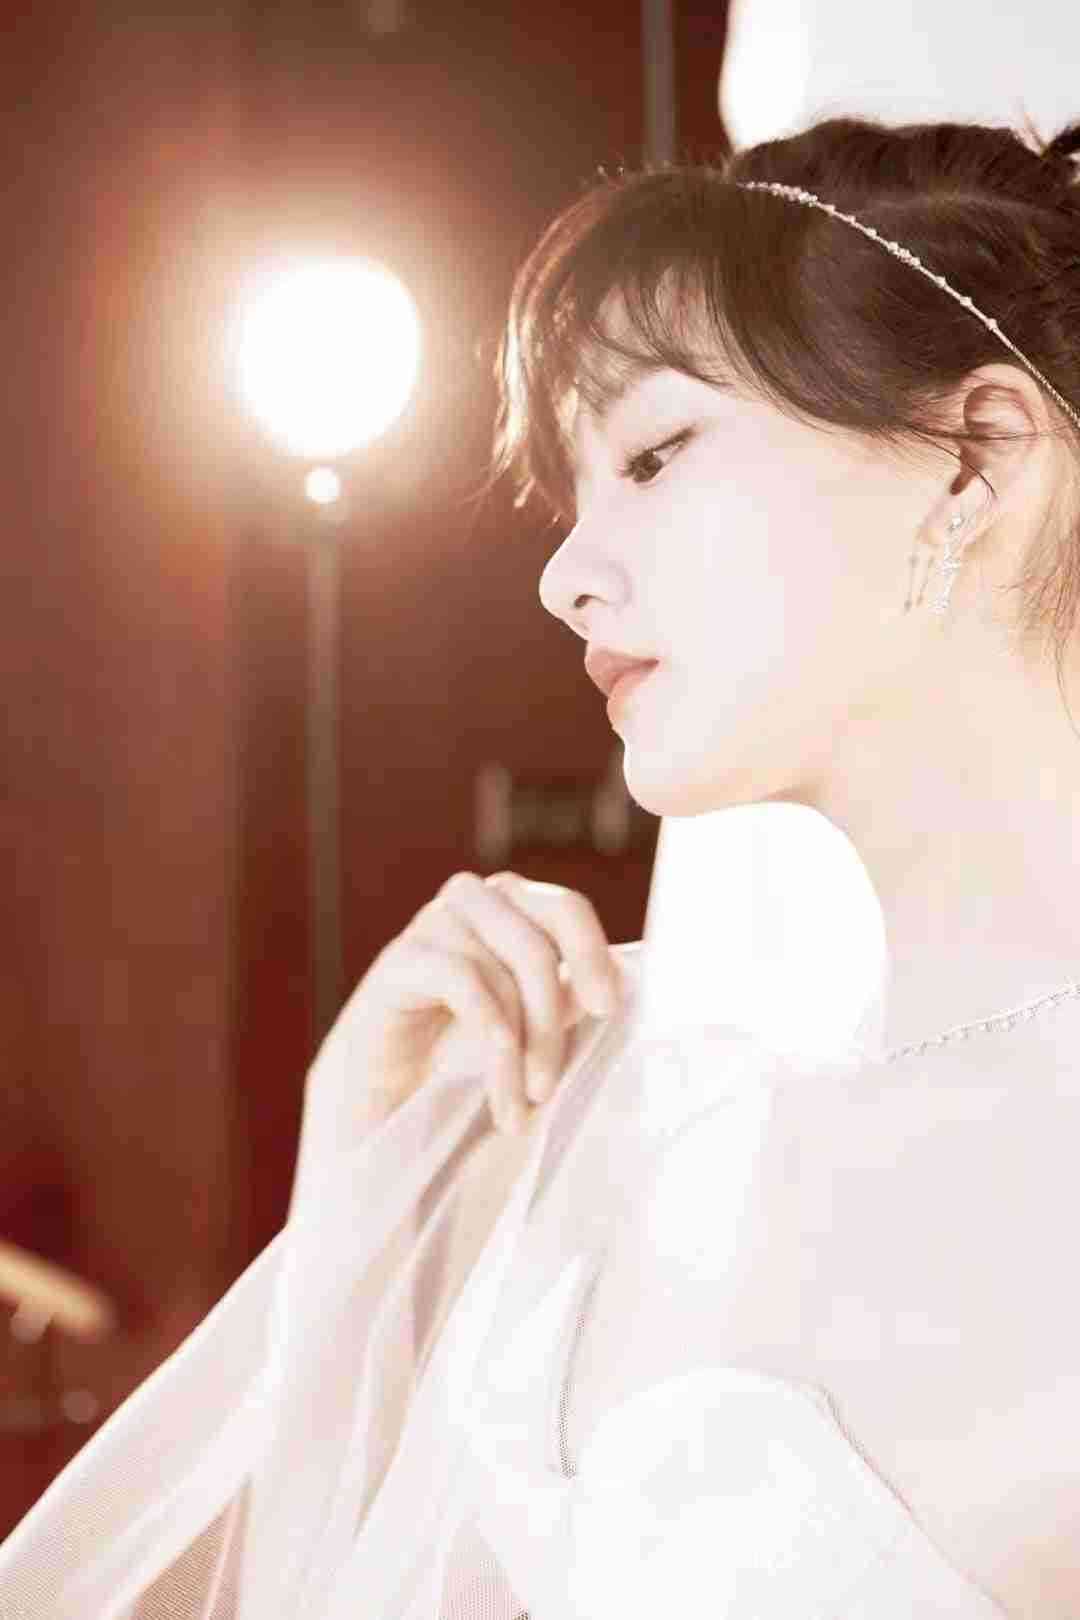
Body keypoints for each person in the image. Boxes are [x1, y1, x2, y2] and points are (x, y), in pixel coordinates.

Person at [3, 108, 1080, 1619]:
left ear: (976, 457)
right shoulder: (648, 1112)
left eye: (655, 452)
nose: (565, 575)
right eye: (574, 497)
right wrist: (357, 1159)